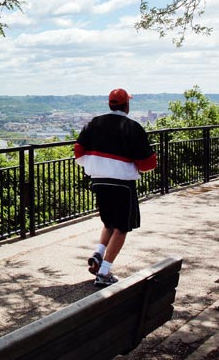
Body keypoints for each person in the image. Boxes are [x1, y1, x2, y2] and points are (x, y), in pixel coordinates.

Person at [74, 88, 157, 287]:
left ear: (110, 104)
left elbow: (78, 150)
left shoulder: (95, 123)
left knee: (109, 222)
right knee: (122, 227)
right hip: (122, 185)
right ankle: (104, 272)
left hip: (99, 181)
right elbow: (147, 163)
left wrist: (93, 166)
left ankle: (98, 254)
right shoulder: (133, 127)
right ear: (126, 105)